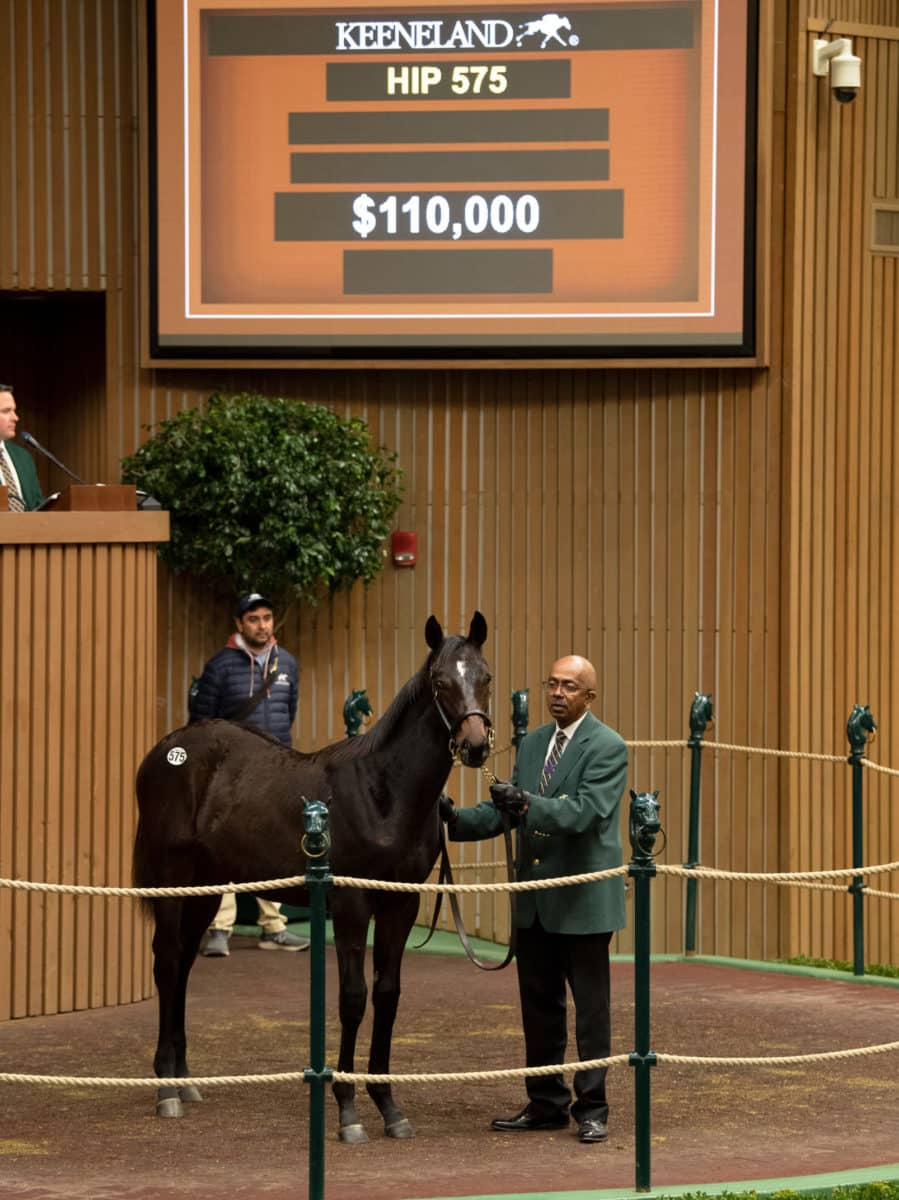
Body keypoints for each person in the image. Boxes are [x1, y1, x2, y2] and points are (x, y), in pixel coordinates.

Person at [443, 654, 627, 1144]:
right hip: (535, 903)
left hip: (582, 902)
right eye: (552, 684)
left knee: (590, 1013)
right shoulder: (533, 744)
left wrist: (526, 804)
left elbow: (587, 813)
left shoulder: (608, 747)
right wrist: (455, 821)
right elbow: (507, 812)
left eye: (569, 687)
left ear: (589, 697)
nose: (557, 694)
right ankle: (546, 1102)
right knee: (539, 1009)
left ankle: (593, 1108)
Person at [189, 591, 309, 955]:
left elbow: (288, 715)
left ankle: (274, 928)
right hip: (230, 774)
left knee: (273, 845)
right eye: (253, 619)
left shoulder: (286, 663)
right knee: (224, 845)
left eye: (267, 618)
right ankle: (220, 930)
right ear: (239, 624)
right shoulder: (220, 666)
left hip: (277, 771)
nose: (262, 625)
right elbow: (201, 725)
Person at [0, 384, 43, 511]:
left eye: (14, 411)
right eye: (6, 411)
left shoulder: (23, 457)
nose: (15, 418)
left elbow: (37, 504)